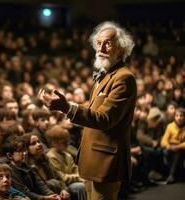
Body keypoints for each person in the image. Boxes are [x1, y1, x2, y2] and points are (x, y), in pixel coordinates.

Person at [38, 21, 137, 200]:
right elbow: (93, 108)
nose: (102, 47)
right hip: (93, 159)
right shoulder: (106, 74)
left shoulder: (124, 78)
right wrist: (66, 107)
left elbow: (105, 118)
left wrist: (67, 108)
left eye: (108, 43)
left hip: (106, 161)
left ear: (121, 48)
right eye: (98, 43)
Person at [160, 108, 185, 184]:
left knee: (178, 152)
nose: (179, 118)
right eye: (177, 116)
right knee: (166, 152)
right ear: (174, 117)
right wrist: (168, 146)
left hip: (181, 147)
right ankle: (169, 174)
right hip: (170, 146)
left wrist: (177, 147)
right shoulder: (170, 126)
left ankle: (171, 175)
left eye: (181, 116)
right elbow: (163, 140)